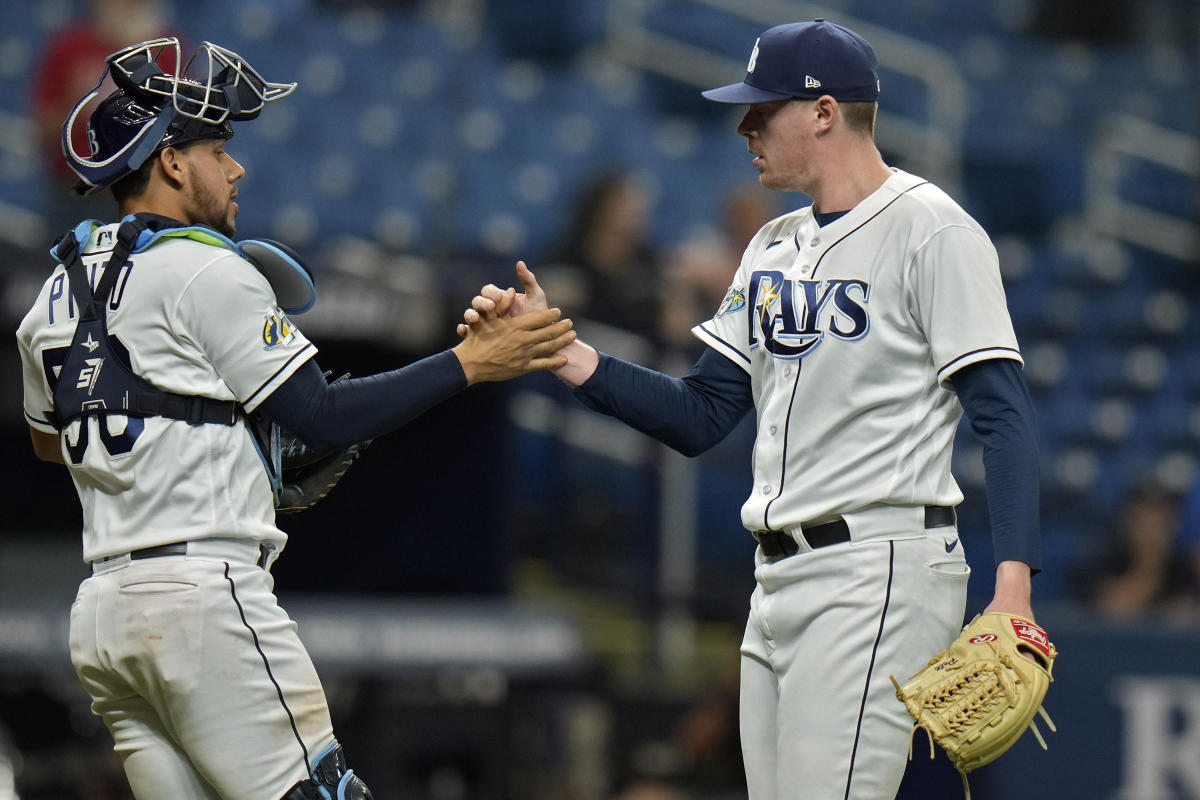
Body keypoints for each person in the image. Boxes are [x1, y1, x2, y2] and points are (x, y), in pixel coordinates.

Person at [461, 20, 1041, 800]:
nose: (744, 128)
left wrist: (1014, 588)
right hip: (775, 578)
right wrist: (564, 354)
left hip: (878, 565)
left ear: (824, 113)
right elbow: (701, 414)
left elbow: (1003, 415)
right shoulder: (771, 244)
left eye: (762, 110)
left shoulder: (932, 230)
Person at [15, 38, 575, 800]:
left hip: (104, 618)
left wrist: (200, 438)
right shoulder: (206, 266)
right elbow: (319, 416)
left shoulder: (51, 297)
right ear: (174, 162)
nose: (235, 166)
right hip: (202, 599)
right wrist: (471, 363)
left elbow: (54, 445)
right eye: (218, 145)